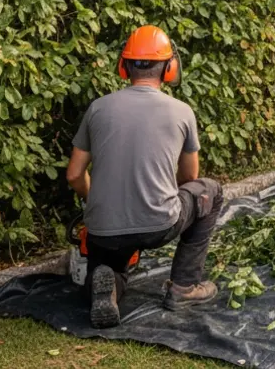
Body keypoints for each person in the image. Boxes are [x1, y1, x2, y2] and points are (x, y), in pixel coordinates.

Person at [65, 25, 224, 328]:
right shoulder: (182, 111)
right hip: (158, 225)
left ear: (123, 66)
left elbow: (74, 174)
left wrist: (94, 202)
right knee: (210, 191)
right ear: (169, 68)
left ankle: (107, 285)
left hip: (103, 229)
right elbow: (190, 177)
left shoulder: (98, 108)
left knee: (110, 266)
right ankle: (184, 288)